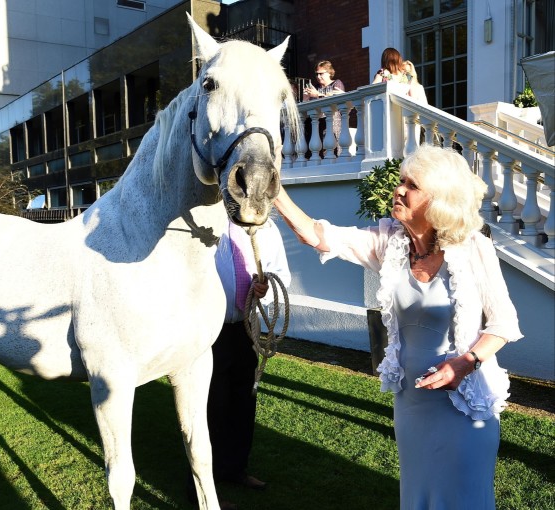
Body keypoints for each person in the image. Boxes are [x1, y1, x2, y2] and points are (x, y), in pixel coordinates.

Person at [274, 144, 522, 509]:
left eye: (412, 185)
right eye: (402, 180)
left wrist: (465, 362)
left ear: (439, 201)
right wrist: (273, 187)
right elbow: (316, 235)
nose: (399, 189)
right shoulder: (389, 242)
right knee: (418, 497)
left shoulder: (473, 249)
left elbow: (504, 323)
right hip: (413, 406)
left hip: (464, 408)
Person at [187, 218, 291, 510]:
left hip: (245, 326)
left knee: (243, 401)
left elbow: (281, 272)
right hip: (208, 329)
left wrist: (265, 288)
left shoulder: (267, 229)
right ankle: (200, 485)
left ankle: (234, 469)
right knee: (209, 407)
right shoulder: (207, 222)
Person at [303, 61, 345, 156]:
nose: (318, 76)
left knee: (333, 151)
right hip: (317, 124)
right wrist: (305, 98)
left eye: (321, 73)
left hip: (333, 123)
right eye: (316, 74)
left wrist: (318, 95)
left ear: (330, 72)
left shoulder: (336, 83)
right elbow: (309, 108)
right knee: (318, 152)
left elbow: (335, 101)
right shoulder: (316, 87)